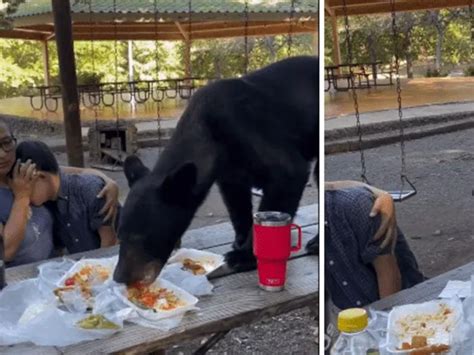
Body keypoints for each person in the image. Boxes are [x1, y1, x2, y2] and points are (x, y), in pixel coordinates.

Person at [0, 120, 119, 266]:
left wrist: (108, 181)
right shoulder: (24, 187)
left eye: (6, 142)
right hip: (24, 279)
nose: (2, 154)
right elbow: (6, 251)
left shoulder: (22, 169)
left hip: (61, 270)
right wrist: (22, 197)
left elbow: (62, 173)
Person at [324, 181, 425, 351]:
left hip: (401, 309)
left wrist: (389, 337)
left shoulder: (356, 207)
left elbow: (388, 274)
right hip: (351, 322)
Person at [15, 140, 120, 254]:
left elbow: (109, 243)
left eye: (25, 186)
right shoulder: (46, 202)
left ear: (40, 176)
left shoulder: (91, 191)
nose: (22, 192)